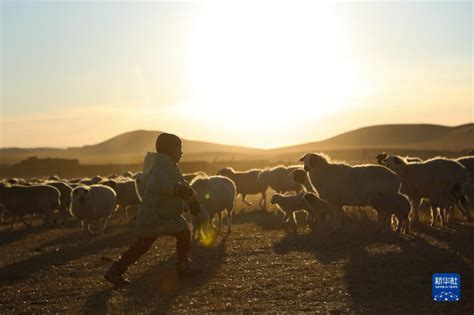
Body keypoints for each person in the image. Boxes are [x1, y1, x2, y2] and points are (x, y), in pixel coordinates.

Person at [104, 133, 202, 286]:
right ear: (169, 150)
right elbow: (156, 185)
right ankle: (115, 271)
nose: (181, 152)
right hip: (154, 215)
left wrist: (192, 201)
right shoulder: (160, 167)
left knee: (181, 233)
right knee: (143, 245)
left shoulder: (168, 165)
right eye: (179, 149)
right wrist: (177, 190)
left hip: (165, 214)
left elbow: (182, 185)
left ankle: (182, 266)